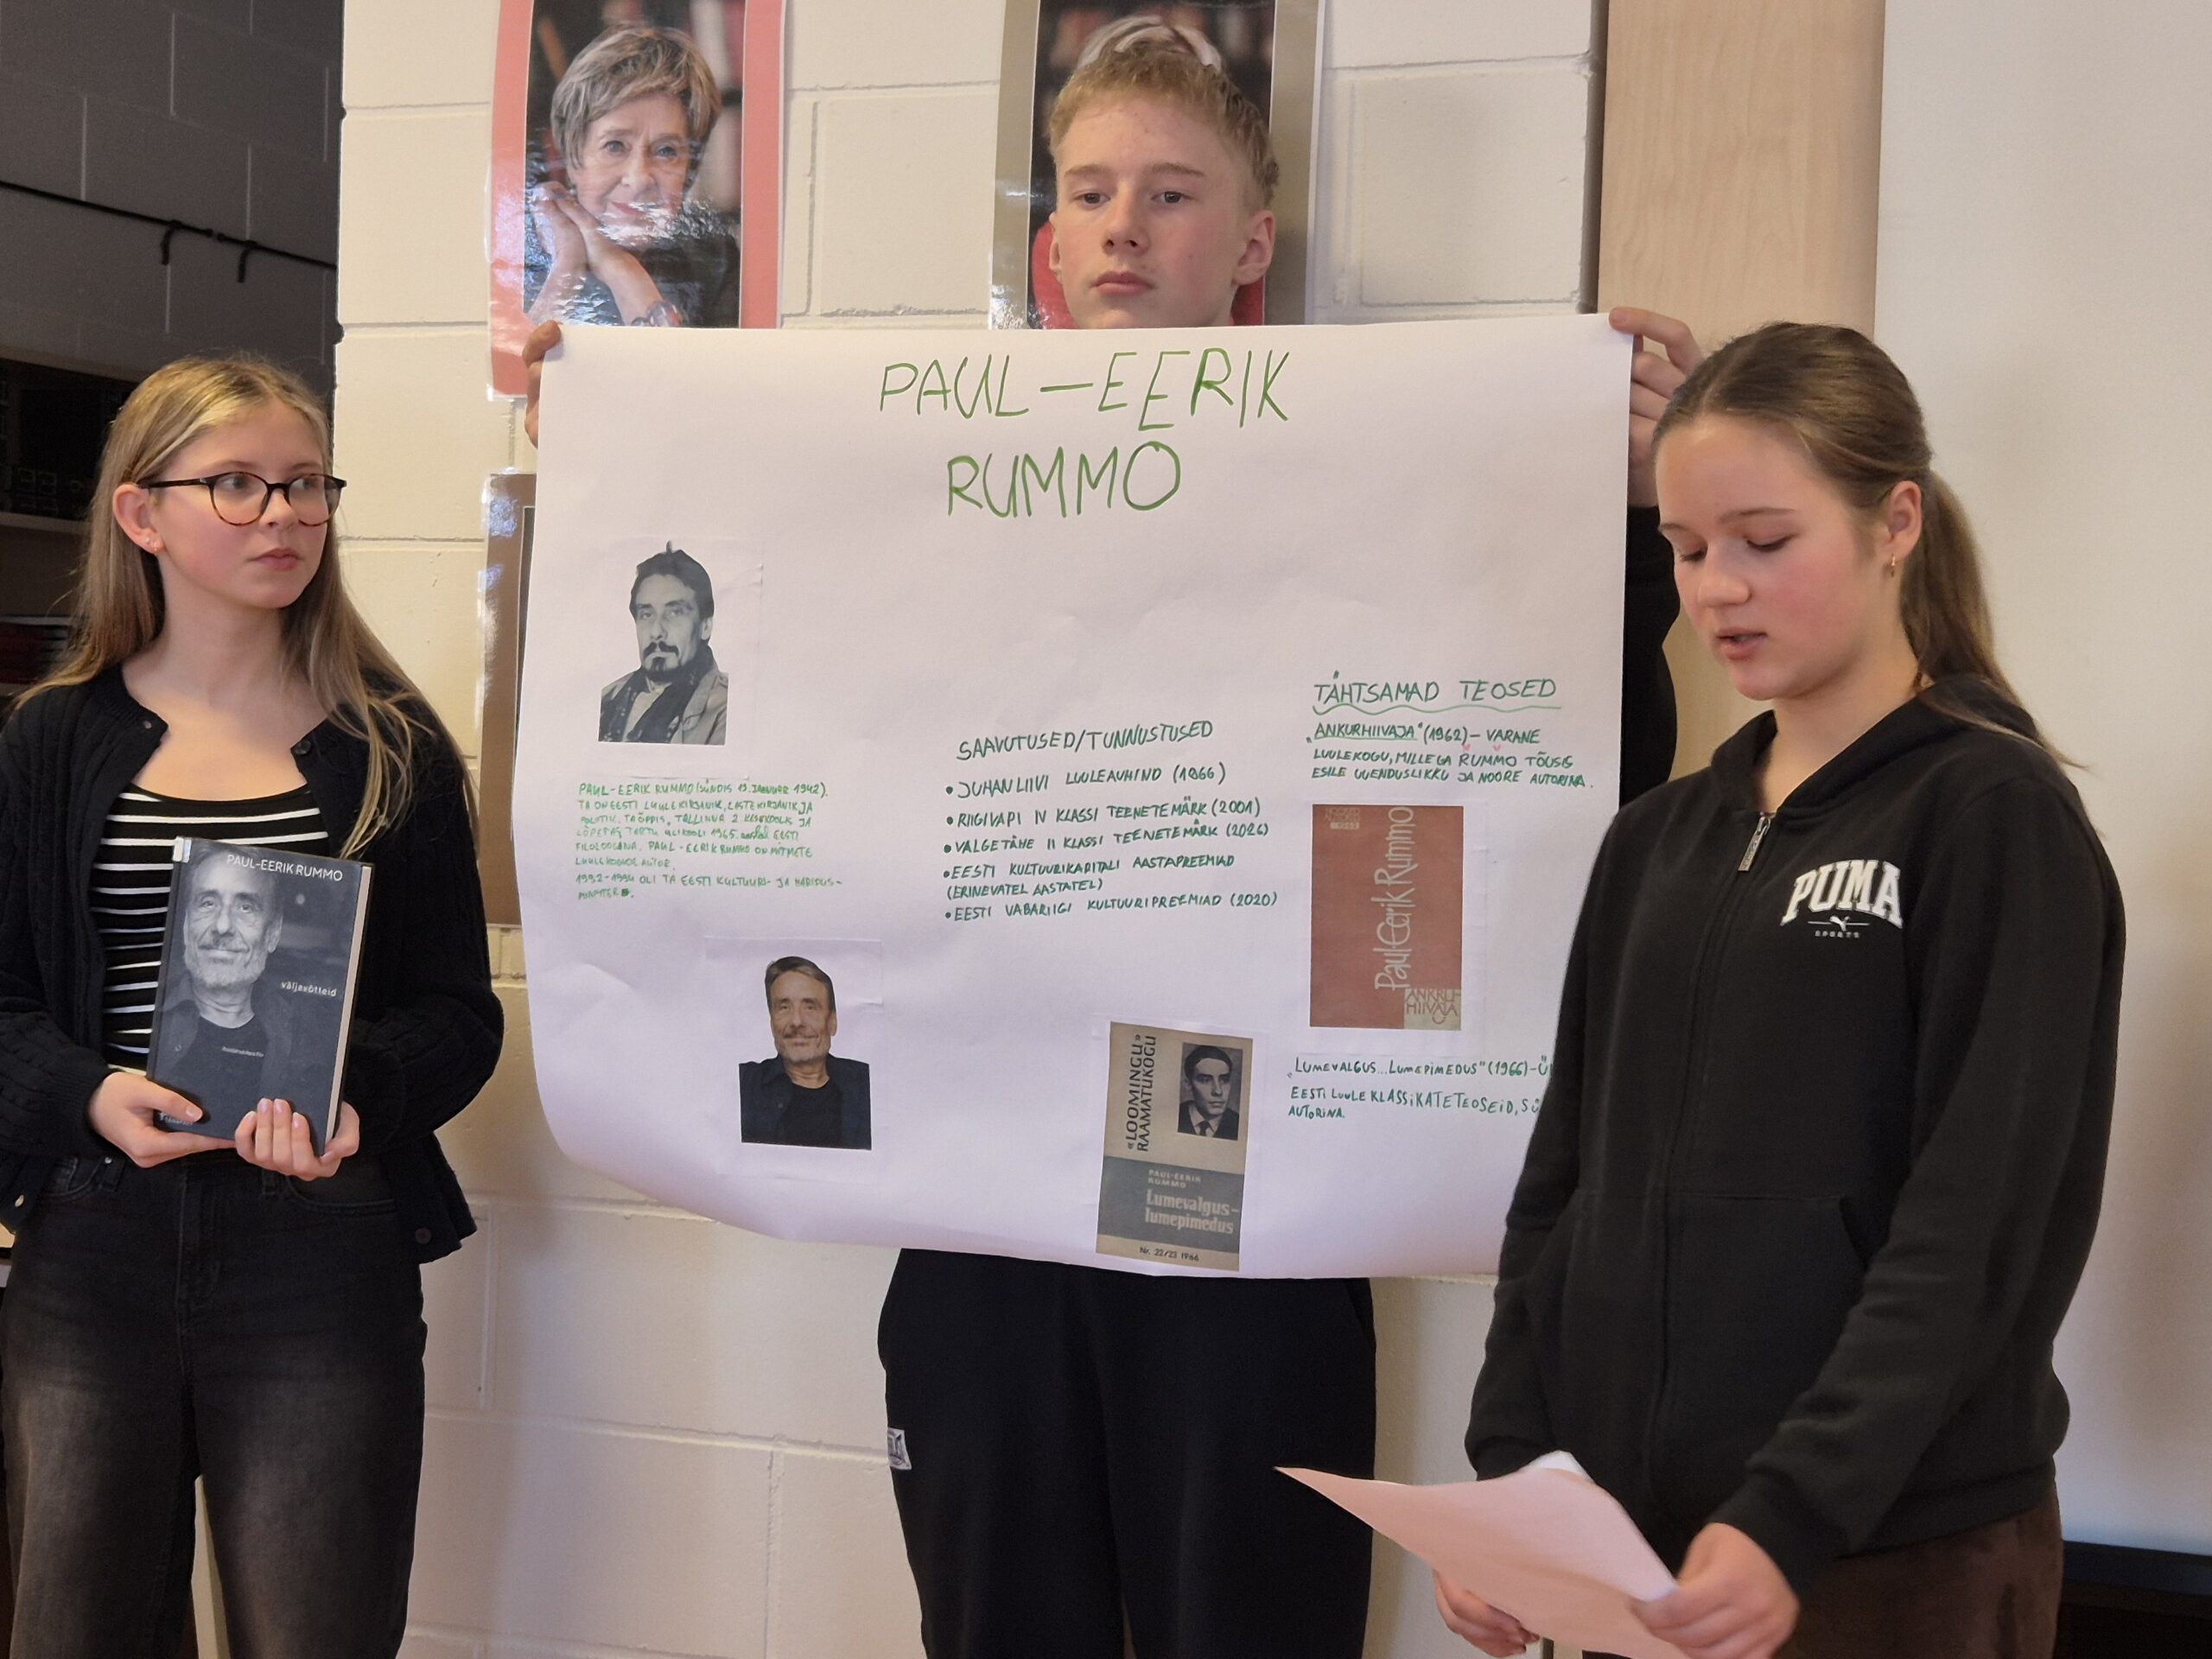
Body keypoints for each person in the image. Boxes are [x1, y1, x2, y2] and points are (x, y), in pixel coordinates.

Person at [523, 19, 1696, 1654]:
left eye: (1171, 193)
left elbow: (1555, 781)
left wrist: (1623, 517)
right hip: (983, 1219)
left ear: (1255, 241)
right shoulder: (919, 473)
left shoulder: (1376, 479)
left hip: (1253, 1225)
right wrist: (605, 438)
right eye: (1088, 193)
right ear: (1050, 239)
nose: (1124, 228)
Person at [1436, 323, 2123, 1659]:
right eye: (1689, 549)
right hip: (1641, 1549)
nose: (1719, 590)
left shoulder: (1990, 816)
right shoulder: (1656, 840)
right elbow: (1562, 1189)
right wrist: (1516, 1480)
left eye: (1764, 540)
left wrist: (1792, 1513)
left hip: (1888, 1556)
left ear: (1895, 522)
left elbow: (1975, 1225)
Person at [0, 354, 504, 1657]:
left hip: (318, 1242)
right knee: (77, 1629)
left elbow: (461, 1012)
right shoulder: (51, 741)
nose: (283, 515)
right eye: (236, 484)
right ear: (141, 514)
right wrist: (88, 1096)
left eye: (305, 485)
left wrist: (354, 1098)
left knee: (315, 1630)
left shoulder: (390, 744)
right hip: (89, 1243)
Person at [528, 24, 739, 329]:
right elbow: (512, 359)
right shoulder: (521, 252)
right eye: (615, 146)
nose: (639, 179)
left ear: (689, 170)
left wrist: (622, 271)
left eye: (666, 151)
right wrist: (566, 271)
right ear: (573, 158)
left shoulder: (714, 260)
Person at [151, 845, 321, 1132]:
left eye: (246, 907)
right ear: (186, 924)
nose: (222, 926)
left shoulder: (303, 1035)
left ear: (273, 932)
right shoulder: (152, 1013)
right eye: (208, 903)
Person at [600, 541, 728, 744]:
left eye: (674, 612)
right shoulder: (607, 700)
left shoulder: (724, 710)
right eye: (646, 614)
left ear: (705, 627)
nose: (656, 632)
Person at [739, 956, 872, 1150]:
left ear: (832, 1022)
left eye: (810, 1007)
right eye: (784, 1007)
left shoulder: (867, 1082)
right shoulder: (743, 1085)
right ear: (772, 1022)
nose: (796, 1022)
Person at [1176, 1043, 1239, 1141]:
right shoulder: (1174, 1116)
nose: (1218, 1091)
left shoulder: (1238, 1124)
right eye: (1206, 1080)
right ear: (1188, 1084)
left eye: (1224, 1080)